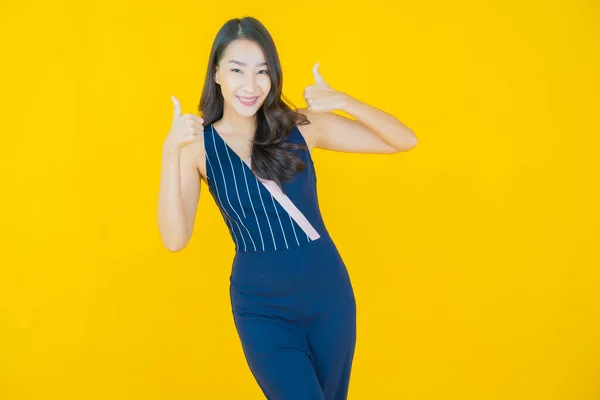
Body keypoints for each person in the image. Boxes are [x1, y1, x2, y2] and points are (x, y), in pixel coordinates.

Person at [157, 16, 417, 400]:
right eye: (237, 70)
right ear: (216, 74)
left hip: (327, 294)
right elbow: (175, 239)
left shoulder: (301, 127)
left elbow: (403, 140)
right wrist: (168, 151)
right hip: (262, 308)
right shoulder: (197, 148)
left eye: (262, 71)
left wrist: (346, 102)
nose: (250, 85)